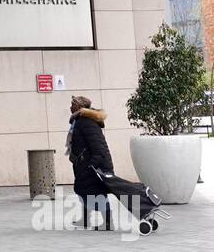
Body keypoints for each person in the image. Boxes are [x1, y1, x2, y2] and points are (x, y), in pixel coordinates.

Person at [66, 95, 159, 225]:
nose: (70, 107)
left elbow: (99, 147)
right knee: (84, 190)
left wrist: (91, 164)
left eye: (72, 104)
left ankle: (108, 222)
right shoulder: (80, 120)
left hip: (93, 164)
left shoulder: (86, 121)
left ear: (79, 107)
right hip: (84, 164)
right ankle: (86, 219)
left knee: (96, 191)